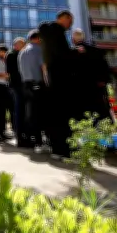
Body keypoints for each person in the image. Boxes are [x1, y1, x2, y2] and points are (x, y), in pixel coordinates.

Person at [38, 10, 75, 158]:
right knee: (62, 114)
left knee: (54, 113)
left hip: (51, 79)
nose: (70, 25)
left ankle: (57, 148)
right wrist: (75, 53)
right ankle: (63, 149)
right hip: (60, 79)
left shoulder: (47, 33)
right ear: (64, 18)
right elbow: (62, 55)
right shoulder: (57, 32)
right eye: (70, 22)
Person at [71, 29, 114, 125]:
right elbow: (105, 68)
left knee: (85, 117)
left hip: (81, 90)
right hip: (97, 88)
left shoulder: (72, 54)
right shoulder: (96, 51)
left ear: (73, 40)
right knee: (101, 113)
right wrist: (103, 81)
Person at [18, 30, 47, 150]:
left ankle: (32, 139)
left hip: (25, 84)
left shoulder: (22, 51)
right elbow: (44, 67)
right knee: (39, 113)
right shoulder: (38, 49)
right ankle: (39, 141)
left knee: (29, 113)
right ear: (38, 38)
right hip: (37, 84)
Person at [6, 37, 26, 142]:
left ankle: (22, 133)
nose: (24, 46)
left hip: (22, 85)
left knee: (22, 110)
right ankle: (19, 134)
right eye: (23, 44)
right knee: (19, 109)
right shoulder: (11, 55)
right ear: (16, 45)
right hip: (17, 86)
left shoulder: (21, 53)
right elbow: (11, 71)